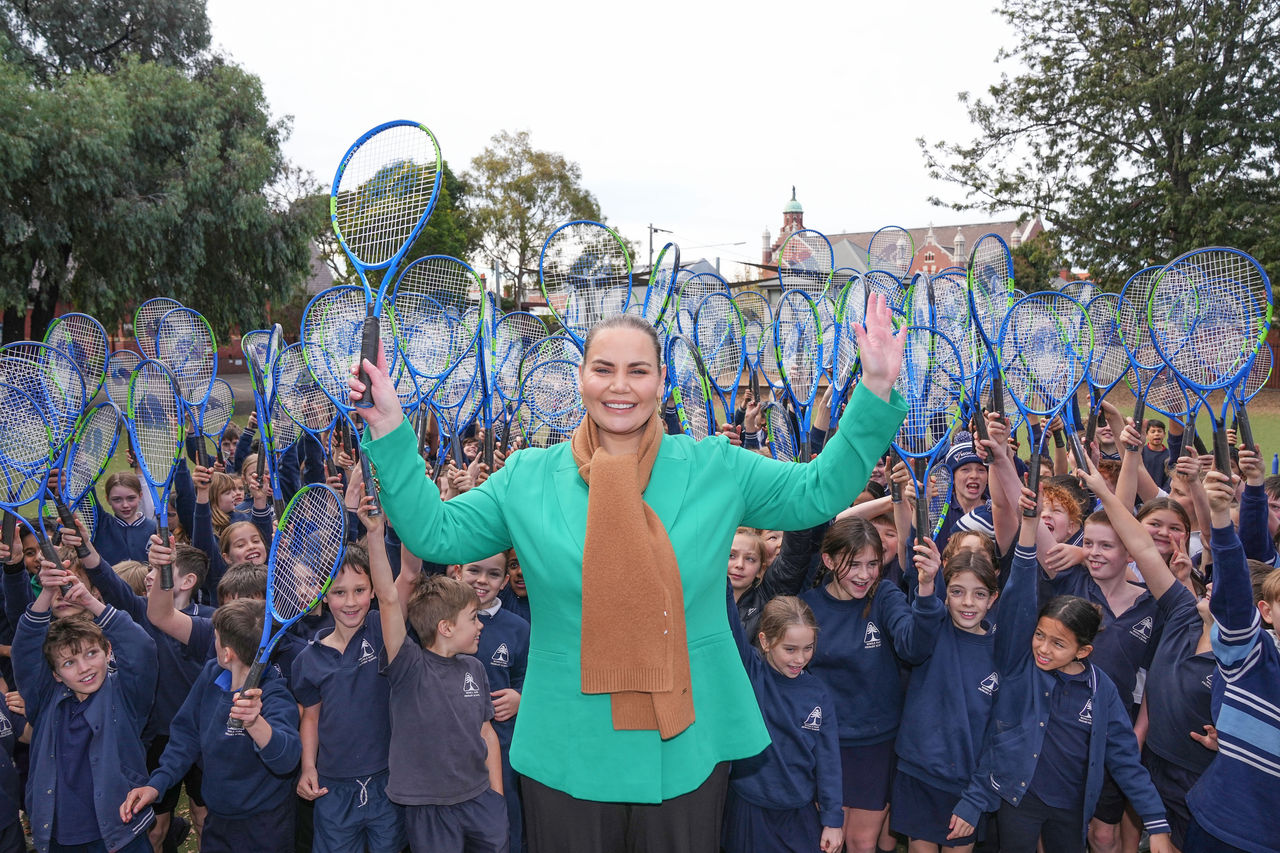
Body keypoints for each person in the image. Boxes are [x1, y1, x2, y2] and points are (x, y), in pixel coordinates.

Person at [350, 298, 906, 853]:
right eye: (604, 369)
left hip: (685, 744)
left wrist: (875, 390)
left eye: (638, 370)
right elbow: (433, 533)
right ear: (581, 379)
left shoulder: (716, 467)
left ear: (661, 381)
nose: (621, 386)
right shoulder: (528, 478)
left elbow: (816, 492)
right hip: (569, 746)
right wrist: (392, 428)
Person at [950, 488, 1172, 853]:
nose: (1042, 648)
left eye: (1057, 643)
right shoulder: (1021, 668)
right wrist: (1027, 534)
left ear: (1084, 650)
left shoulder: (1102, 692)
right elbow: (998, 743)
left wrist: (1156, 821)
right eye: (1039, 635)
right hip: (1018, 801)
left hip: (1071, 808)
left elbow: (1125, 760)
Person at [801, 518, 944, 853]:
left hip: (875, 743)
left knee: (861, 842)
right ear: (829, 561)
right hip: (824, 744)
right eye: (853, 565)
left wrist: (925, 588)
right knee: (825, 840)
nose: (864, 575)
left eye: (872, 564)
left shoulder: (885, 596)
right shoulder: (808, 606)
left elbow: (915, 647)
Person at [121, 598, 302, 853]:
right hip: (218, 820)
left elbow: (287, 758)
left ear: (227, 653)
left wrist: (255, 722)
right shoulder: (211, 675)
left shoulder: (275, 696)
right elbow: (186, 736)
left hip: (266, 828)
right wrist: (156, 784)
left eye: (215, 638)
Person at [14, 558, 158, 853]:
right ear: (55, 673)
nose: (83, 668)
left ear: (108, 651)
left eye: (91, 653)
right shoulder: (45, 698)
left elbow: (141, 649)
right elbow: (24, 652)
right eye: (69, 662)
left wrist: (90, 601)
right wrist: (46, 592)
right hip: (58, 835)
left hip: (121, 831)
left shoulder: (125, 693)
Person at [370, 541, 506, 853]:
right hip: (429, 809)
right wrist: (376, 533)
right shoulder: (409, 666)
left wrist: (496, 797)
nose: (480, 625)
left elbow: (487, 732)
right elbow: (389, 600)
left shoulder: (475, 667)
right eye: (473, 618)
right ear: (445, 627)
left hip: (481, 802)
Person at [1183, 470, 1280, 853]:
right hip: (1221, 827)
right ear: (1266, 613)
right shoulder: (1253, 656)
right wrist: (1222, 519)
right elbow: (1235, 597)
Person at [292, 528, 405, 853]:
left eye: (359, 590)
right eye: (339, 592)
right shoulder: (308, 659)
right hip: (333, 787)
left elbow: (402, 583)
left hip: (388, 781)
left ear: (372, 591)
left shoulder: (382, 629)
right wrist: (309, 767)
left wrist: (374, 532)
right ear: (324, 595)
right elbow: (310, 718)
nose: (351, 601)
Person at [891, 549, 1000, 853]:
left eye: (979, 594)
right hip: (918, 775)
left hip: (966, 786)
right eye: (957, 592)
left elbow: (998, 735)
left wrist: (976, 797)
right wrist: (925, 588)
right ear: (945, 595)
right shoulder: (932, 630)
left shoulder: (1001, 651)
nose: (967, 602)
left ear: (993, 599)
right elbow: (912, 646)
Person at [723, 596, 842, 853]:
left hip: (798, 810)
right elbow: (728, 620)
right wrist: (719, 567)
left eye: (808, 648)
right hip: (750, 809)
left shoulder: (818, 694)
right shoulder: (751, 673)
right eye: (790, 649)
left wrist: (833, 820)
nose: (800, 659)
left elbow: (828, 761)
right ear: (765, 641)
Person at [92, 472, 157, 566]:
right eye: (117, 499)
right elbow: (86, 492)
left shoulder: (155, 528)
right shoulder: (102, 524)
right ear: (108, 499)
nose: (125, 505)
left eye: (131, 498)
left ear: (140, 496)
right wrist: (80, 461)